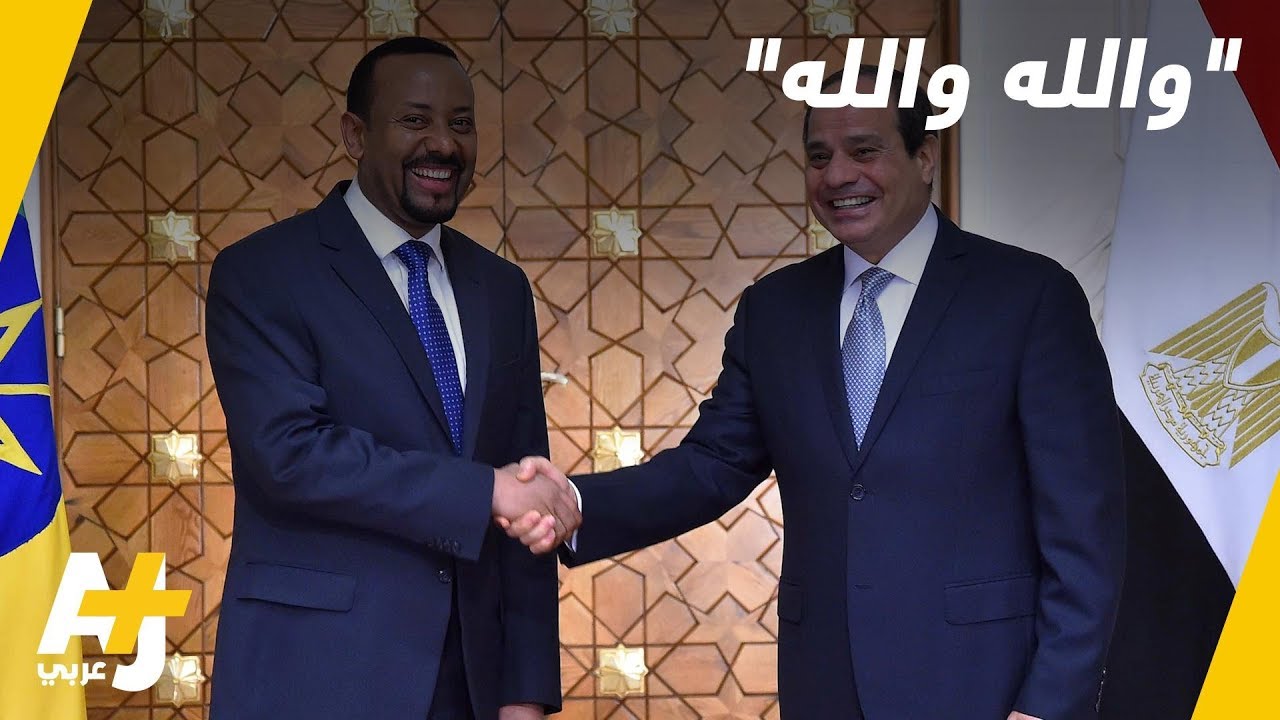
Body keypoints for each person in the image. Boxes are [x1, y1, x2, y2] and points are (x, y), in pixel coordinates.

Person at [507, 67, 1125, 719]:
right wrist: (573, 502)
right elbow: (712, 466)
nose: (837, 176)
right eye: (819, 157)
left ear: (924, 157)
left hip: (984, 689)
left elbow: (1085, 530)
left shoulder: (1028, 296)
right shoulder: (774, 310)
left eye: (864, 150)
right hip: (825, 687)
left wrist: (1048, 705)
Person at [205, 37, 578, 720]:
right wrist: (483, 490)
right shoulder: (262, 272)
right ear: (355, 134)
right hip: (315, 678)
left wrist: (525, 692)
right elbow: (288, 455)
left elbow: (527, 489)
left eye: (461, 123)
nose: (444, 144)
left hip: (472, 687)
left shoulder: (501, 289)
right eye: (414, 120)